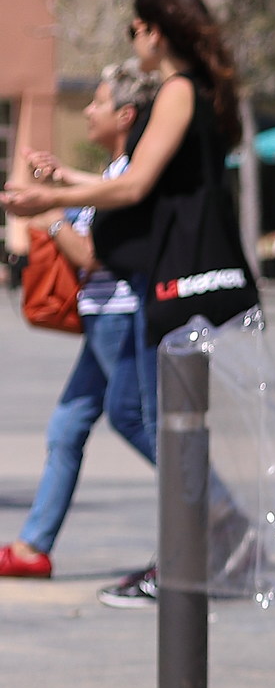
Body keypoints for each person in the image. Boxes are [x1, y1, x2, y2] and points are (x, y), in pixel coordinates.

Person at [2, 0, 256, 607]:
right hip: (177, 282)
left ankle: (207, 539)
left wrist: (52, 203)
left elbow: (136, 186)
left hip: (165, 288)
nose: (133, 40)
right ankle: (193, 547)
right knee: (109, 422)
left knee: (149, 420)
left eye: (135, 29)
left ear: (156, 30)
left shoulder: (176, 90)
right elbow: (145, 185)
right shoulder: (197, 93)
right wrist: (66, 183)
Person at [0, 62, 158, 579]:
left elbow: (93, 256)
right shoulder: (114, 175)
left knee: (136, 421)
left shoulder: (130, 178)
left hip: (120, 317)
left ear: (125, 115)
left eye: (98, 102)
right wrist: (62, 182)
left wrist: (49, 214)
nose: (88, 110)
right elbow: (97, 196)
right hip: (102, 319)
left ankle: (218, 514)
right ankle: (33, 548)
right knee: (66, 428)